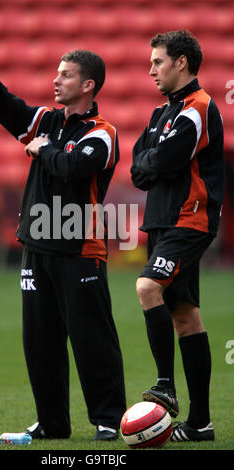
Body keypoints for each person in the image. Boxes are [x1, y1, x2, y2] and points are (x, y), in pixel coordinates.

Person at [0, 12, 126, 443]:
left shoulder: (103, 133)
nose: (56, 81)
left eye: (66, 75)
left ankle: (108, 419)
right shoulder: (47, 122)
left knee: (91, 339)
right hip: (37, 247)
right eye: (56, 73)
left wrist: (40, 150)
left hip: (79, 248)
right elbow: (4, 105)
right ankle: (52, 423)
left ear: (88, 85)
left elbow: (74, 167)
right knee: (41, 343)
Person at [130, 30, 224, 442]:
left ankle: (164, 384)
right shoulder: (159, 114)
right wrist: (154, 160)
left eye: (158, 62)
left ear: (181, 62)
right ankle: (200, 423)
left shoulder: (198, 108)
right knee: (185, 317)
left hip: (190, 219)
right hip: (161, 221)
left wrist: (155, 159)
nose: (151, 69)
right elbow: (138, 168)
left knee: (147, 286)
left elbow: (163, 161)